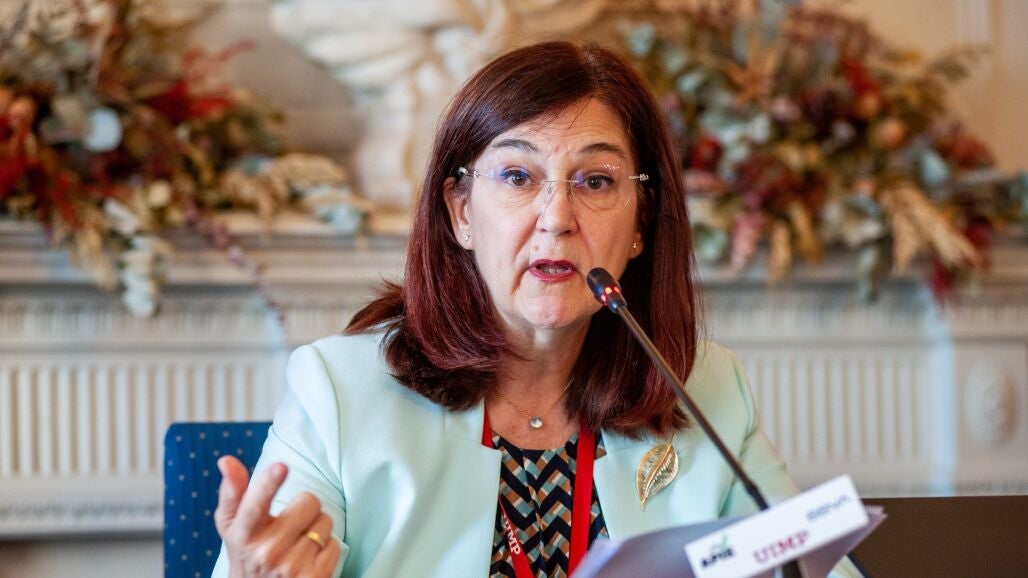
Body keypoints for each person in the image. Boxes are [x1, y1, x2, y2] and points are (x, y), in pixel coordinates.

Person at [211, 41, 860, 578]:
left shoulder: (704, 390)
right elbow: (277, 555)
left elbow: (811, 567)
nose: (556, 218)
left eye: (596, 181)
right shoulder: (339, 392)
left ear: (641, 223)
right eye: (518, 177)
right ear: (462, 212)